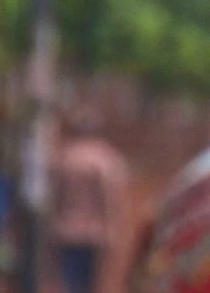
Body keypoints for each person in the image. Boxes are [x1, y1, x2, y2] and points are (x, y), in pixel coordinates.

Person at [51, 108, 129, 293]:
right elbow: (110, 197)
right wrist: (114, 227)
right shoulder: (104, 159)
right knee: (90, 282)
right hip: (94, 231)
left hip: (67, 229)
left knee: (70, 280)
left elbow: (55, 196)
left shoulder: (65, 158)